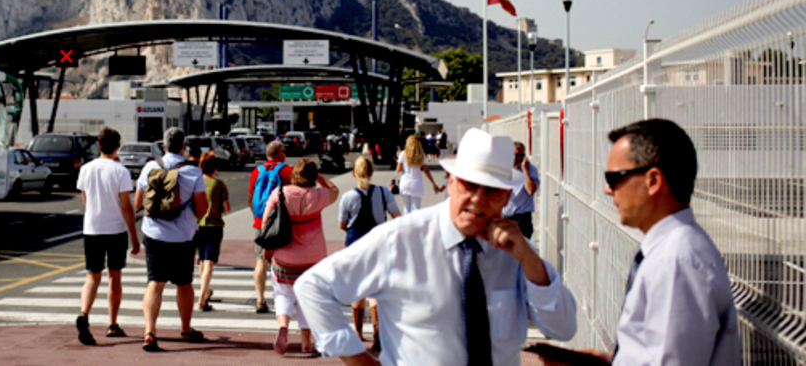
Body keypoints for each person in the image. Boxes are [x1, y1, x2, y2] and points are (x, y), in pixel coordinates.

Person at [295, 128, 577, 366]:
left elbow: (563, 328)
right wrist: (362, 361)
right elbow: (313, 287)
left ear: (506, 197)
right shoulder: (403, 239)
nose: (478, 199)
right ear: (451, 182)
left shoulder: (516, 253)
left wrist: (530, 261)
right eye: (469, 185)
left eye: (491, 190)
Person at [543, 119, 740, 365]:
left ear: (653, 181)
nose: (607, 189)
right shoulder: (672, 250)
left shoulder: (675, 262)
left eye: (615, 178)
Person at [133, 127, 209, 352]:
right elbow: (202, 209)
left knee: (155, 283)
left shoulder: (150, 167)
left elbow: (138, 203)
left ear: (163, 146)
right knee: (184, 284)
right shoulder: (193, 173)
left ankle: (149, 332)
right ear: (184, 147)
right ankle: (186, 328)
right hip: (183, 237)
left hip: (154, 235)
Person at [262, 159, 339, 355]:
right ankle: (306, 343)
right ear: (312, 176)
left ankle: (283, 327)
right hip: (313, 259)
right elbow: (335, 190)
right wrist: (319, 177)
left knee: (283, 294)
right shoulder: (318, 195)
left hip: (284, 257)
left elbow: (265, 223)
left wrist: (268, 250)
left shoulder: (280, 193)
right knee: (307, 298)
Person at [74, 127, 141, 346]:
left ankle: (84, 313)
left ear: (98, 145)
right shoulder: (120, 171)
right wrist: (134, 236)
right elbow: (126, 207)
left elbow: (85, 198)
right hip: (115, 230)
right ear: (118, 147)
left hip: (92, 228)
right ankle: (112, 324)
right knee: (115, 277)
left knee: (92, 276)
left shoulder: (86, 169)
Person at [337, 156, 400, 352]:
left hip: (355, 245)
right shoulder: (384, 193)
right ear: (372, 172)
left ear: (354, 173)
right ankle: (378, 334)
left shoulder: (348, 197)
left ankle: (357, 333)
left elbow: (342, 224)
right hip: (378, 243)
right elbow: (397, 217)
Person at [249, 140, 293, 313]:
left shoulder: (256, 172)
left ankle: (260, 299)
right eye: (283, 151)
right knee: (283, 261)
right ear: (278, 153)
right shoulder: (287, 171)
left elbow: (251, 198)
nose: (285, 154)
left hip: (261, 223)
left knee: (261, 260)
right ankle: (285, 298)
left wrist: (258, 218)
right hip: (281, 223)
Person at [194, 150, 230, 312]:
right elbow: (226, 208)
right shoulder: (219, 185)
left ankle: (206, 290)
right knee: (209, 261)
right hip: (214, 226)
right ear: (215, 168)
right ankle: (202, 298)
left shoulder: (196, 182)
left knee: (202, 260)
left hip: (197, 225)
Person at [396, 134, 443, 213]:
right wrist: (433, 183)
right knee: (416, 209)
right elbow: (426, 171)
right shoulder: (421, 155)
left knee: (406, 208)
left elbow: (399, 169)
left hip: (405, 183)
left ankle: (407, 225)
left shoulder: (403, 154)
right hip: (416, 184)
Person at [502, 141, 540, 239]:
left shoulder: (530, 170)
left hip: (522, 219)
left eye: (519, 155)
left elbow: (531, 190)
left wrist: (524, 170)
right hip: (505, 218)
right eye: (513, 154)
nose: (516, 158)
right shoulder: (503, 170)